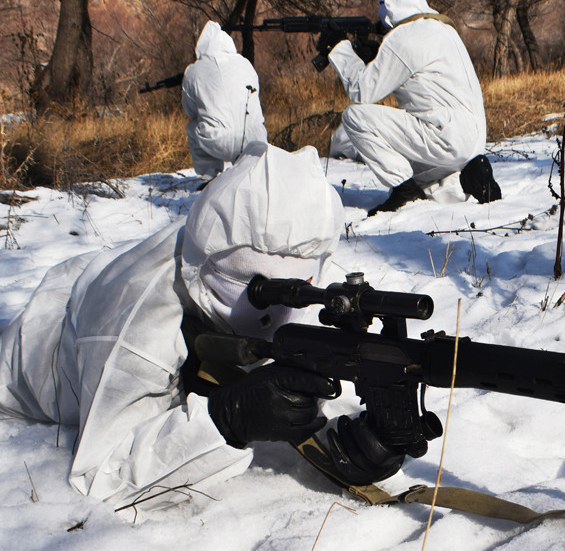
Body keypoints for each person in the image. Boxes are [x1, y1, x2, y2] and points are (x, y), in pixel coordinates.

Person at [0, 143, 407, 517]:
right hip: (41, 350)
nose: (276, 311)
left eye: (298, 285)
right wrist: (226, 420)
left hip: (103, 280)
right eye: (255, 288)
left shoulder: (294, 252)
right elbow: (100, 479)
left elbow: (285, 353)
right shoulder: (134, 325)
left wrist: (351, 444)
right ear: (205, 265)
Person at [327, 0, 500, 215]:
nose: (379, 12)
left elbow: (362, 90)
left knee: (354, 117)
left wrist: (339, 49)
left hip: (443, 136)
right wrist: (377, 57)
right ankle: (469, 180)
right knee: (424, 183)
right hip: (471, 144)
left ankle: (405, 192)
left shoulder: (406, 36)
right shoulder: (442, 28)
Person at [182, 21, 268, 180]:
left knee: (194, 126)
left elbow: (190, 110)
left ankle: (208, 177)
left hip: (216, 141)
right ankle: (254, 173)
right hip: (254, 139)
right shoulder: (245, 63)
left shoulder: (193, 71)